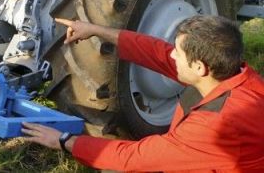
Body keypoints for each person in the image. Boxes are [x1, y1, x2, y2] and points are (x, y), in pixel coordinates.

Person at [22, 15, 264, 171]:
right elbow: (157, 52)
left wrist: (64, 141)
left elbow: (135, 157)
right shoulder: (233, 74)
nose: (171, 55)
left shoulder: (218, 124)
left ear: (199, 67)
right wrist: (94, 30)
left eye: (177, 53)